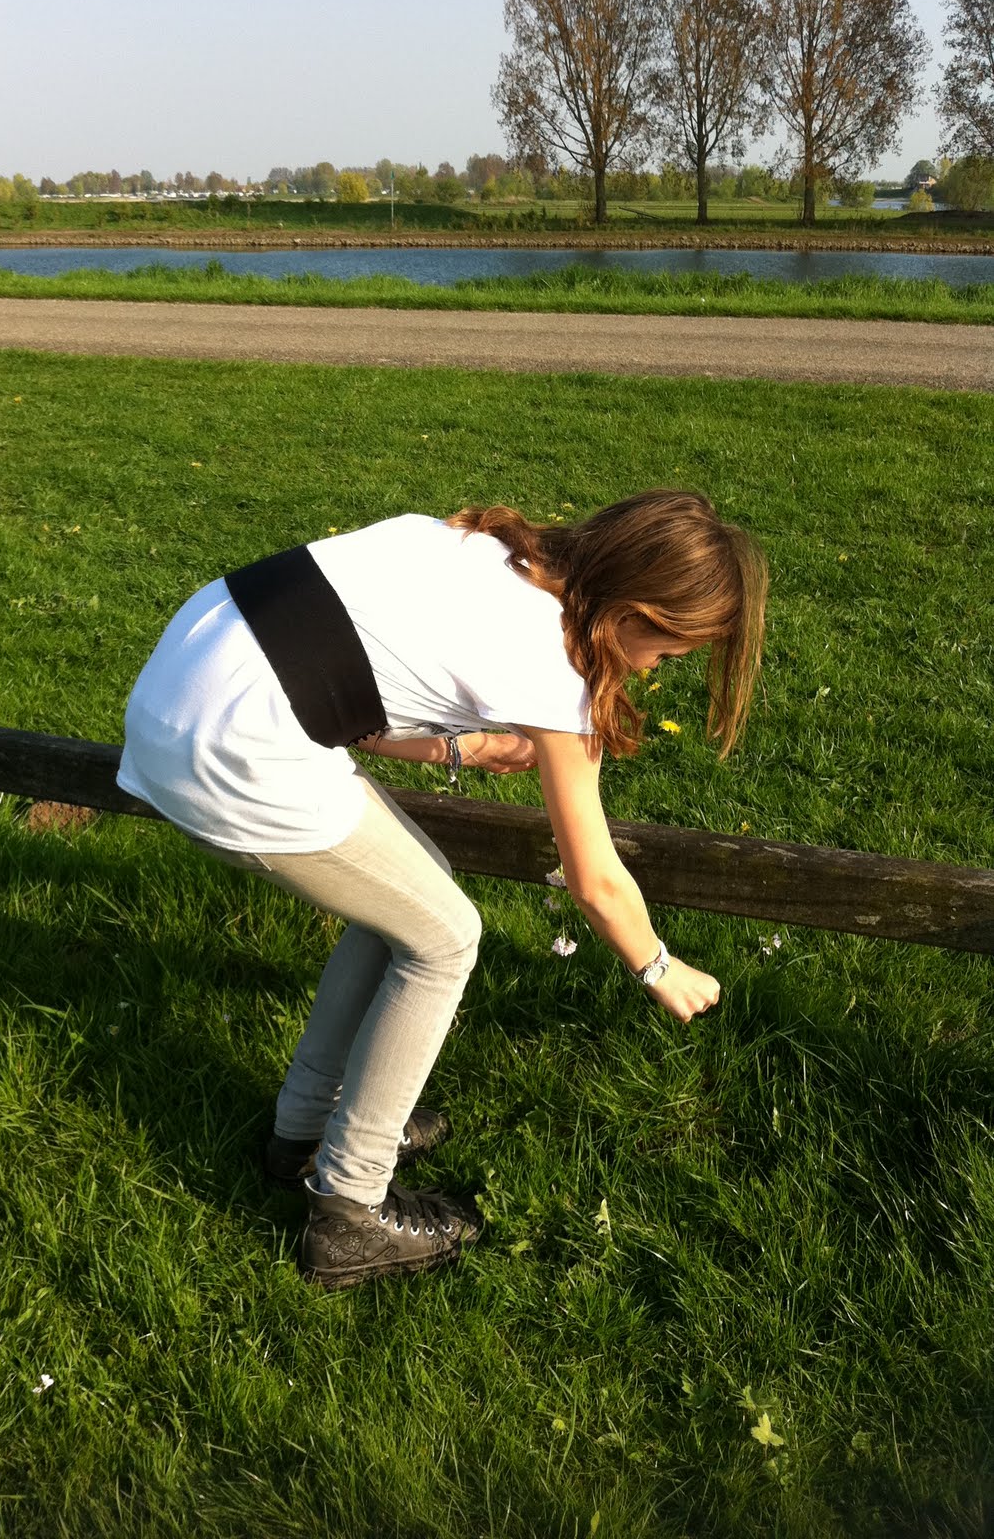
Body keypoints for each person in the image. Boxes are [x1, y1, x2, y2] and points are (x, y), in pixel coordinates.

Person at [116, 489, 768, 1290]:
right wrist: (660, 967)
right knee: (444, 939)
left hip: (175, 701)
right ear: (633, 613)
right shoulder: (555, 669)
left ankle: (306, 1131)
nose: (653, 669)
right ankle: (350, 1211)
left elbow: (346, 697)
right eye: (666, 652)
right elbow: (595, 879)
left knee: (410, 901)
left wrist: (467, 750)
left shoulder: (468, 545)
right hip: (232, 756)